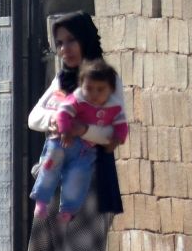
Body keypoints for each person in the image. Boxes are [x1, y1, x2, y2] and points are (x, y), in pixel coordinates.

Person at [22, 11, 126, 251]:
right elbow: (34, 116)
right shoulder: (63, 81)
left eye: (70, 40)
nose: (65, 49)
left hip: (91, 184)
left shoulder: (105, 80)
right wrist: (59, 122)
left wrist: (82, 129)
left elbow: (114, 131)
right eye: (60, 42)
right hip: (59, 184)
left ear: (85, 40)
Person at [30, 60, 129, 223]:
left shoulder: (112, 102)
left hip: (89, 163)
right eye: (89, 89)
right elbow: (37, 117)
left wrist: (89, 131)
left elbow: (118, 129)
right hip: (60, 147)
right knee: (50, 165)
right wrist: (57, 123)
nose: (94, 94)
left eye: (100, 90)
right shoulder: (70, 89)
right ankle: (41, 201)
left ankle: (67, 211)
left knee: (78, 177)